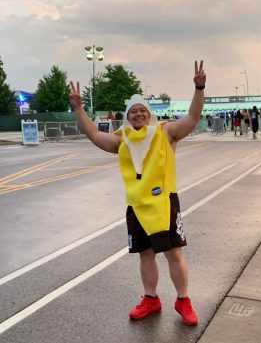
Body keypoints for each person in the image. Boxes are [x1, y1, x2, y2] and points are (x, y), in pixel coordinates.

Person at [68, 60, 206, 326]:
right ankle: (151, 299)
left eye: (142, 110)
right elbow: (94, 135)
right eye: (133, 112)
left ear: (149, 114)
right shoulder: (123, 139)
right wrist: (79, 108)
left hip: (164, 203)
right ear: (127, 116)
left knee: (174, 254)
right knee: (145, 255)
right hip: (137, 205)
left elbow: (193, 118)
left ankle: (183, 300)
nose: (138, 115)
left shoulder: (166, 133)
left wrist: (199, 88)